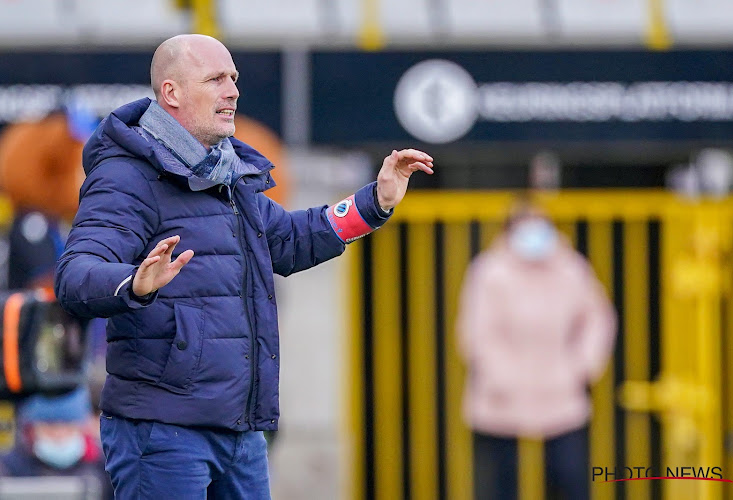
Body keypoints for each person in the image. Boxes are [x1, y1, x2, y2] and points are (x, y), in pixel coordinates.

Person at [53, 34, 433, 499]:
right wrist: (134, 283)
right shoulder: (126, 176)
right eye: (215, 79)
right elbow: (74, 276)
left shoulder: (227, 174)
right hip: (163, 433)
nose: (232, 90)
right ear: (171, 93)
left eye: (233, 78)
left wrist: (373, 203)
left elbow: (292, 239)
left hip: (240, 430)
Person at [456, 198, 616, 500]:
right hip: (499, 399)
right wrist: (503, 379)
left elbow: (598, 318)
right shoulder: (490, 271)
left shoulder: (571, 268)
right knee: (502, 484)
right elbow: (477, 332)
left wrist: (582, 365)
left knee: (569, 479)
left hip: (561, 395)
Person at [0, 387, 114, 499]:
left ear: (83, 427)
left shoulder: (105, 466)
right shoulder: (11, 467)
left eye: (68, 427)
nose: (59, 435)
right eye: (50, 427)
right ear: (32, 429)